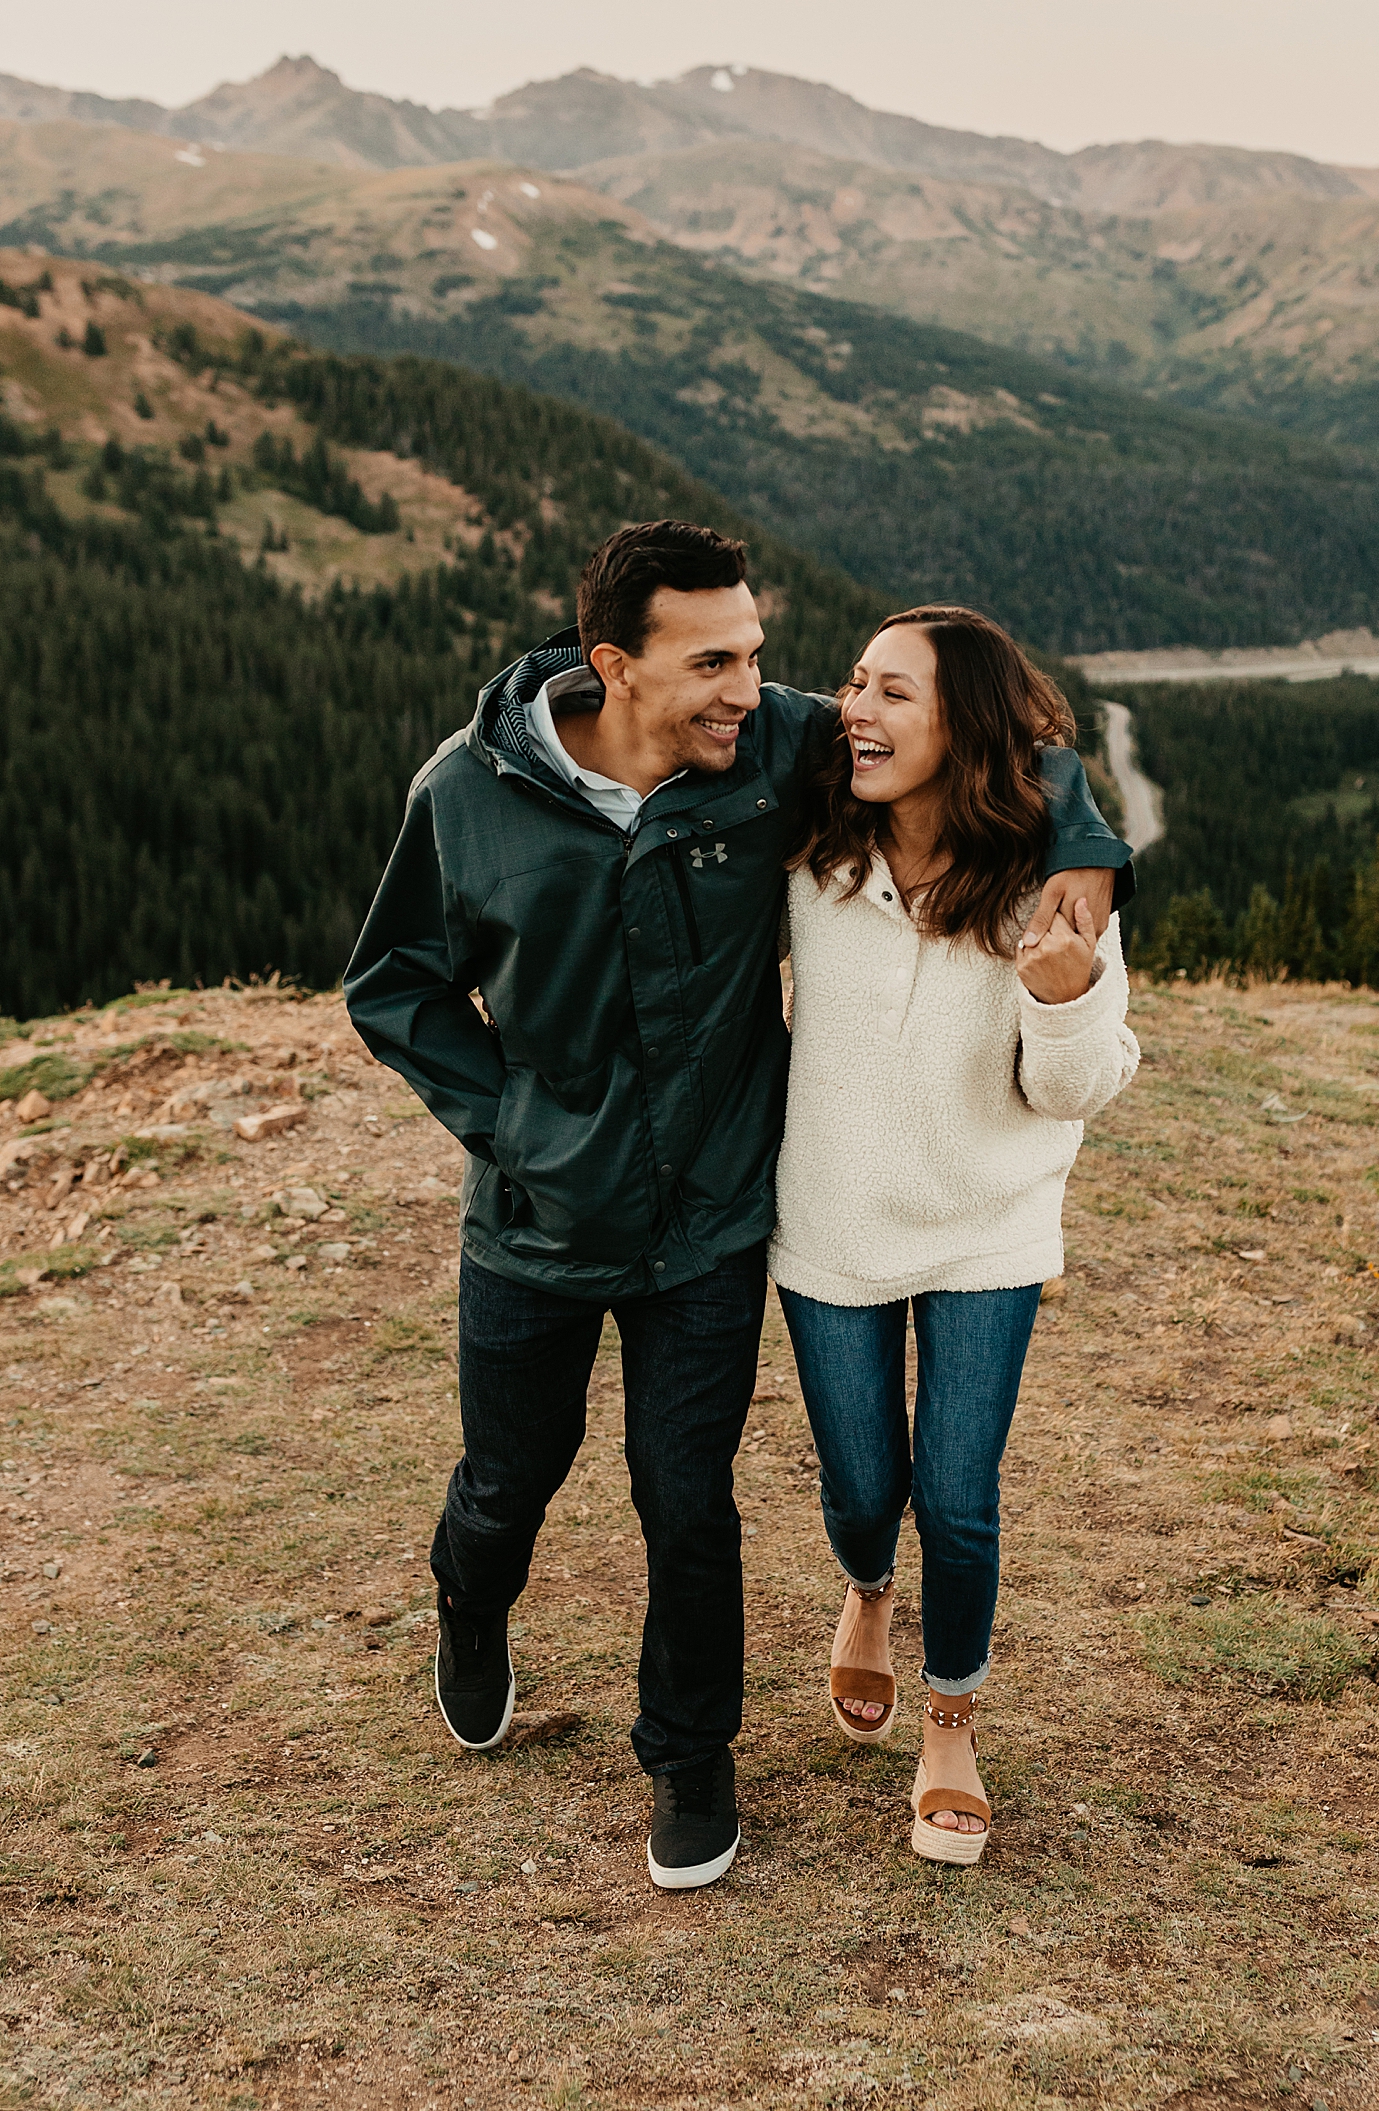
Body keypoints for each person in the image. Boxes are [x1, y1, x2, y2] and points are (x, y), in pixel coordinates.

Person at [344, 524, 1131, 1892]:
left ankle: (689, 1761)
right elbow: (395, 983)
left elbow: (996, 734)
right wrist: (512, 1126)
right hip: (532, 1221)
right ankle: (472, 1601)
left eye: (758, 655)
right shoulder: (464, 794)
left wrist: (1089, 840)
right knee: (506, 1480)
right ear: (613, 665)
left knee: (686, 1497)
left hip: (709, 1216)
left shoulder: (770, 748)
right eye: (715, 660)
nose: (754, 688)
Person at [767, 605, 1139, 1865]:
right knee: (866, 1483)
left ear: (964, 726)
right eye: (854, 683)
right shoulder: (812, 840)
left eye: (894, 694)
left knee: (961, 1496)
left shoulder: (1053, 877)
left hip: (990, 1227)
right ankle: (868, 1591)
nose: (853, 710)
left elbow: (1082, 1084)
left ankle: (950, 1721)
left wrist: (1067, 998)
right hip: (831, 1221)